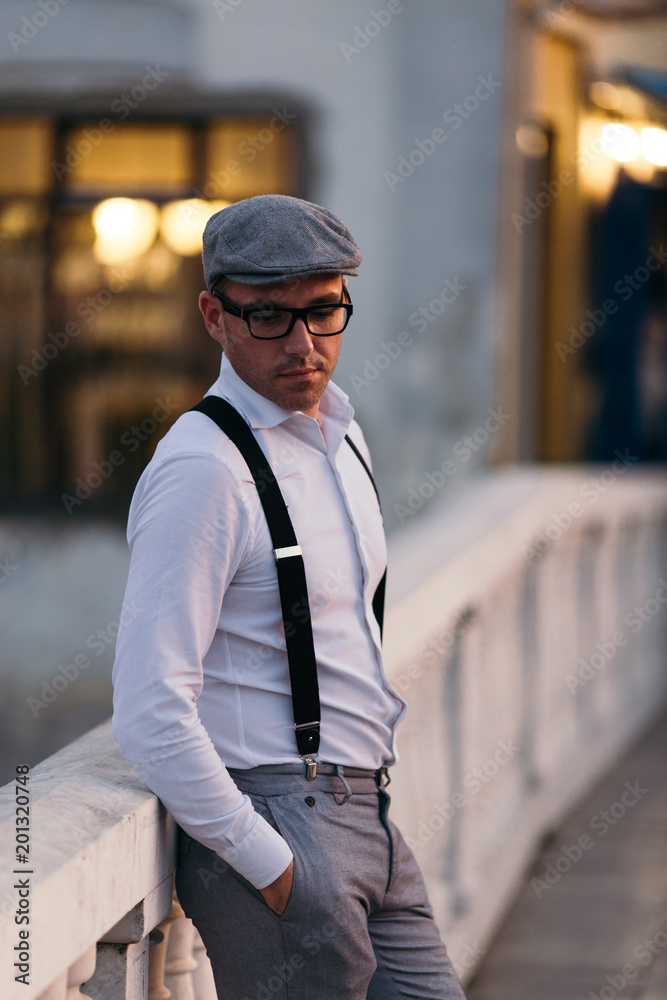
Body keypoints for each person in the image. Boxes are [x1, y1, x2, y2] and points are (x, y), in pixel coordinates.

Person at [112, 194, 466, 1000]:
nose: (304, 345)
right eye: (269, 317)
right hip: (280, 823)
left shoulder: (339, 433)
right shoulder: (203, 469)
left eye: (323, 311)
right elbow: (148, 705)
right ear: (215, 314)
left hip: (367, 815)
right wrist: (271, 865)